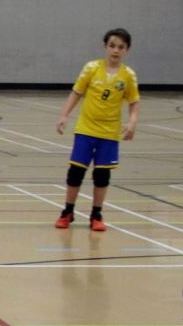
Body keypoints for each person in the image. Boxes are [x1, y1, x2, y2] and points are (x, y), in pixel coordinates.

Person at [54, 29, 141, 231]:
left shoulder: (128, 75)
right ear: (105, 47)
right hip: (86, 129)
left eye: (121, 47)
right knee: (76, 172)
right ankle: (67, 211)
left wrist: (132, 122)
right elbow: (77, 92)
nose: (115, 50)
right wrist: (64, 115)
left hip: (109, 133)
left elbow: (134, 102)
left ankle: (96, 214)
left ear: (127, 50)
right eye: (112, 45)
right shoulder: (91, 68)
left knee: (102, 176)